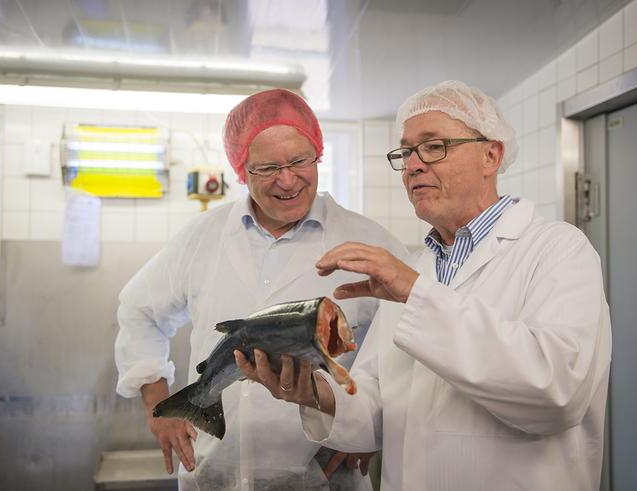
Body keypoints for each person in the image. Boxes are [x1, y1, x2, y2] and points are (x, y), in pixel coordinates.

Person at [236, 80, 612, 490]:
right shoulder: (419, 267)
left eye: (434, 147)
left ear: (491, 155)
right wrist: (313, 391)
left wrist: (415, 292)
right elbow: (376, 403)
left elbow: (557, 393)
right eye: (406, 152)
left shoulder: (558, 250)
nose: (413, 164)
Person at [114, 89, 408, 491]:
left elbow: (407, 352)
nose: (287, 180)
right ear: (241, 170)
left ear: (318, 153)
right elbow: (139, 310)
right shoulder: (204, 236)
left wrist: (376, 428)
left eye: (300, 161)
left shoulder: (371, 243)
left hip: (322, 480)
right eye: (267, 168)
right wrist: (155, 399)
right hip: (213, 476)